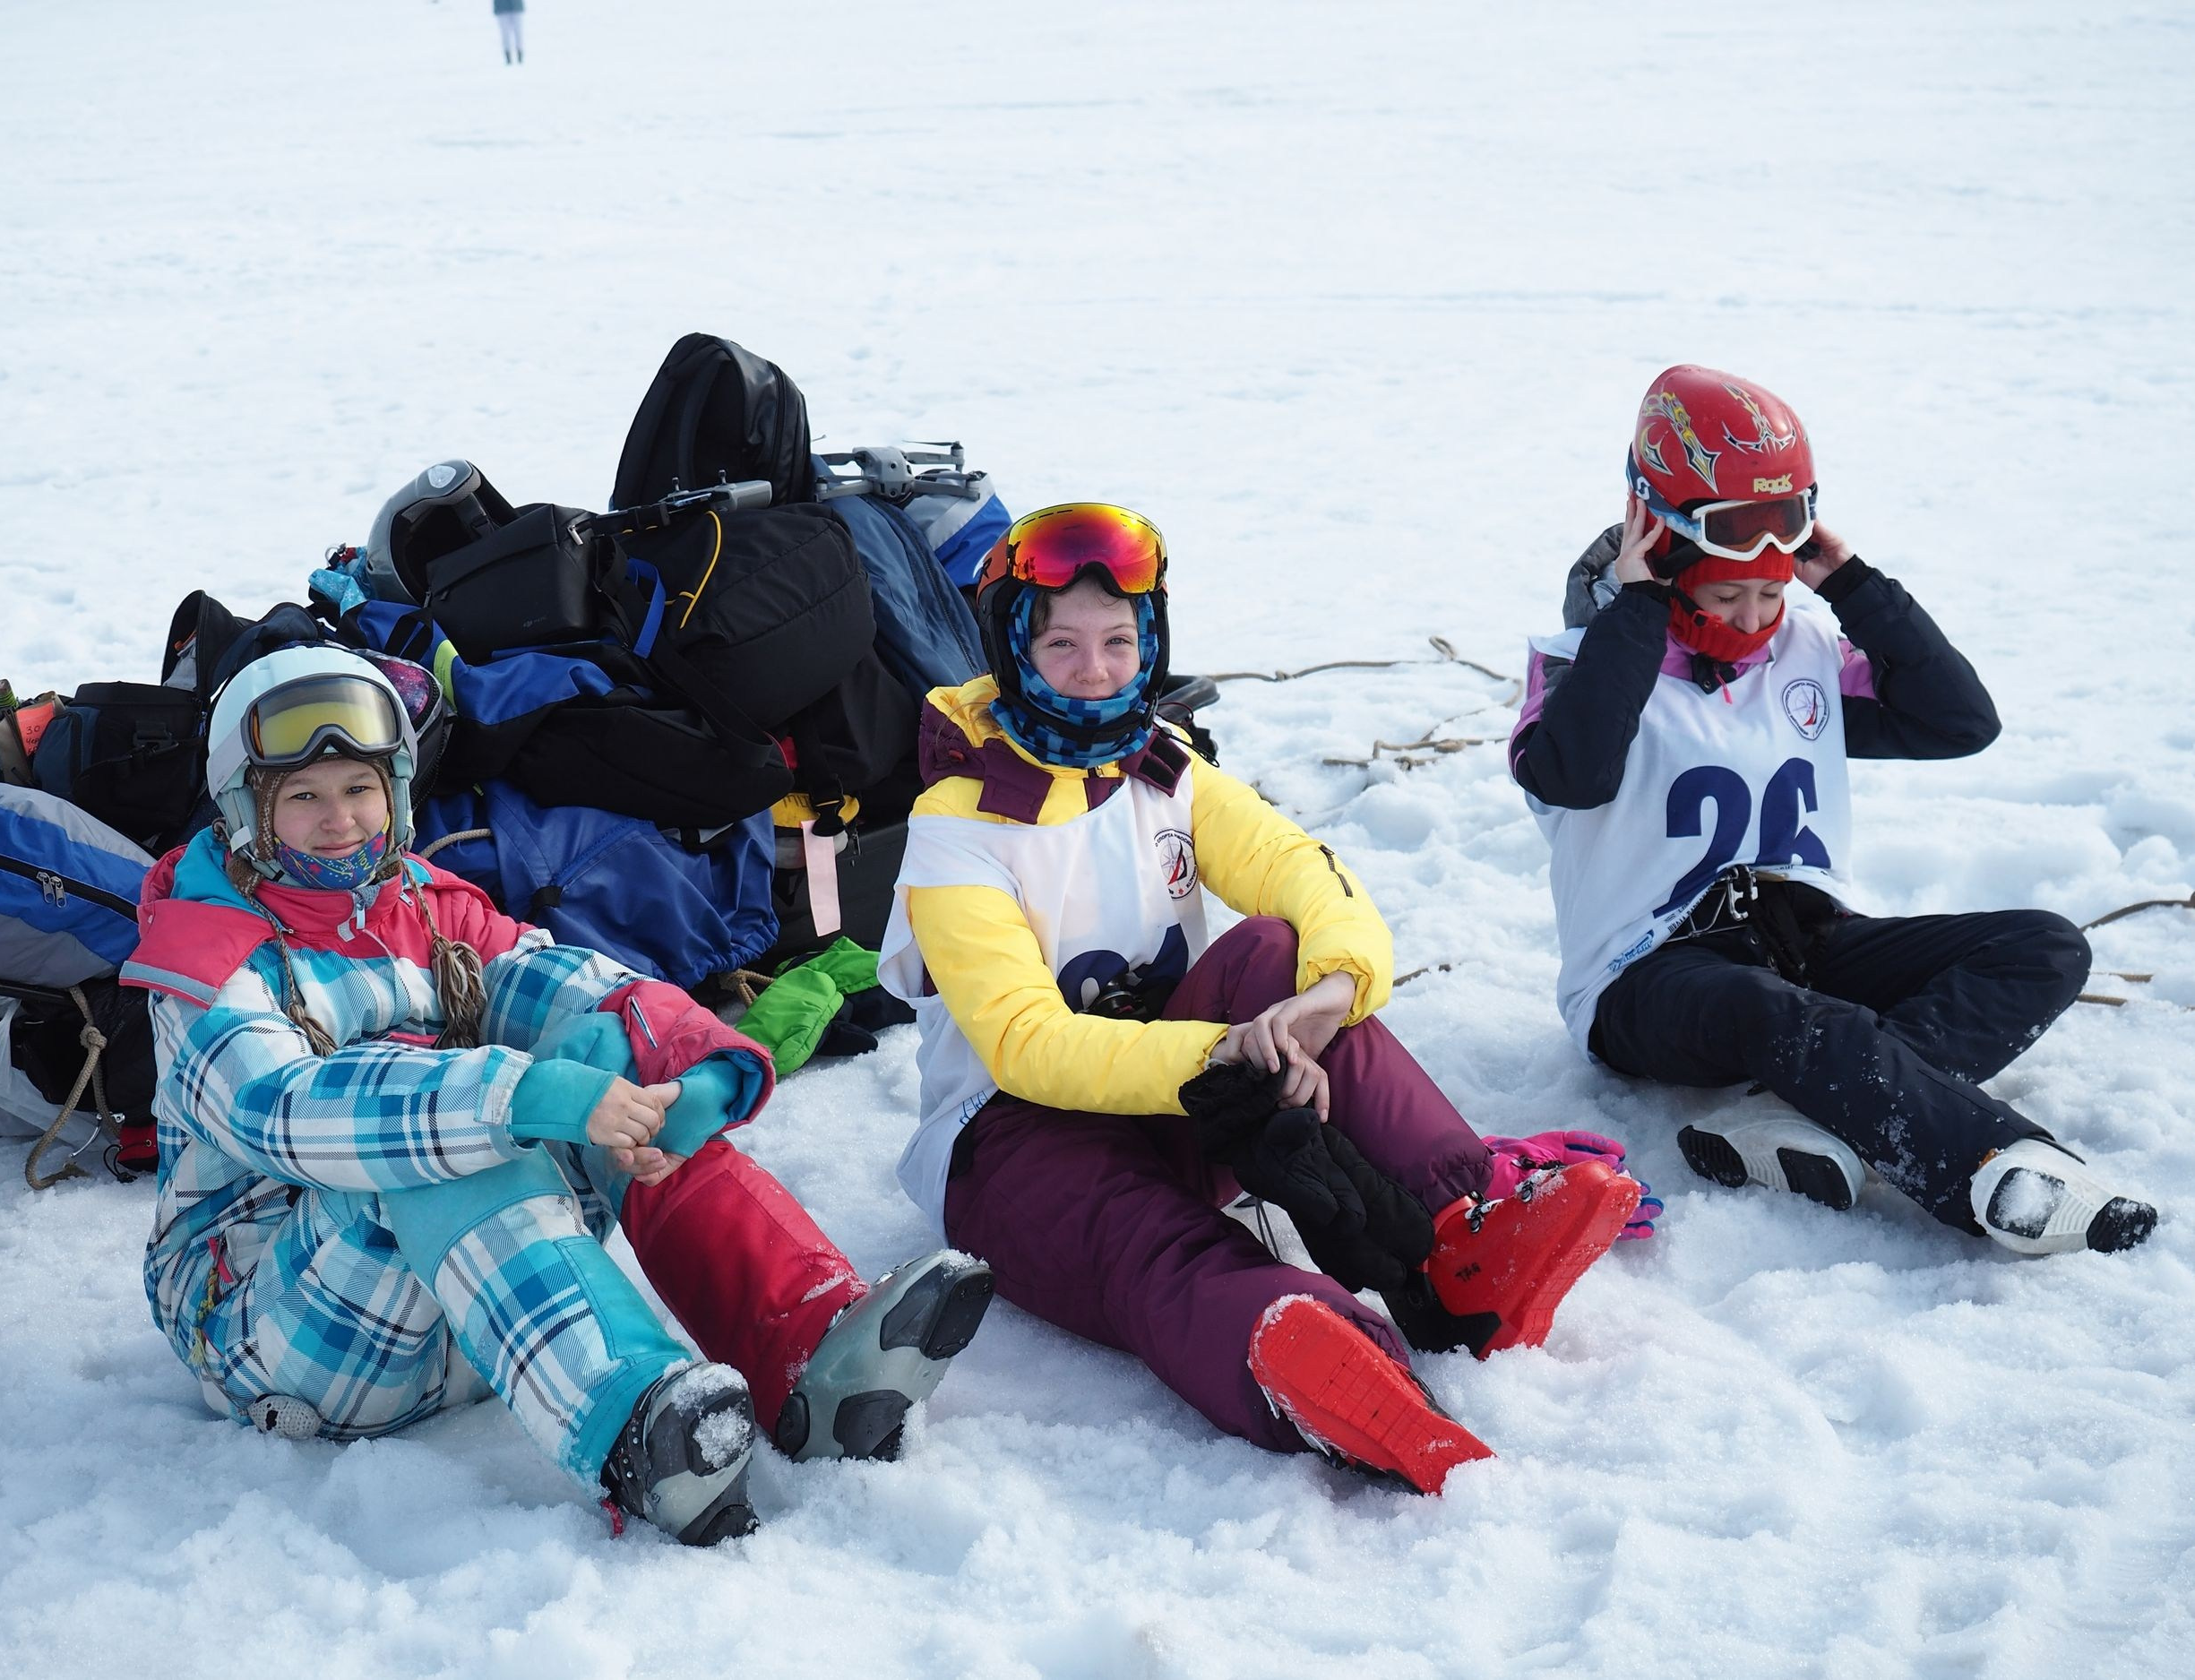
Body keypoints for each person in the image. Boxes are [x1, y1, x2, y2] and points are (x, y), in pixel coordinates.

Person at [123, 646, 992, 1546]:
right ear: (247, 809)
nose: (340, 819)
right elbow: (284, 1108)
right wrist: (516, 1090)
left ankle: (813, 1353)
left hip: (475, 1313)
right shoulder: (207, 961)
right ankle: (637, 1436)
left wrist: (688, 1062)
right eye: (303, 796)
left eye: (360, 788)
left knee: (609, 1051)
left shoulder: (419, 904)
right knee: (446, 1137)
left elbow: (563, 982)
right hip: (281, 1338)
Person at [877, 504, 1651, 1495]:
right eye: (1059, 643)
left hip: (1186, 1098)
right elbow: (1024, 1044)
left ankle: (1462, 1234)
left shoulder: (1160, 765)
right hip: (1014, 1147)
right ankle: (1298, 1348)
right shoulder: (957, 828)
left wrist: (1329, 992)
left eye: (1120, 641)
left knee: (1279, 952)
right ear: (1010, 648)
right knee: (1141, 1237)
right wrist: (1227, 1056)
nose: (1095, 669)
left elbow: (1295, 867)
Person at [1511, 365, 2156, 1257]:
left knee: (2042, 945)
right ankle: (1996, 1167)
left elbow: (1957, 722)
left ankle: (1801, 1110)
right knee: (1794, 1018)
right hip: (1648, 978)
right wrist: (1636, 610)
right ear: (1663, 563)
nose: (1752, 617)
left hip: (1801, 944)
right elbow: (1572, 774)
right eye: (1725, 595)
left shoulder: (1801, 648)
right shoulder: (1580, 665)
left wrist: (1849, 582)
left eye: (1771, 592)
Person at [494, 0, 524, 65]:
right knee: (505, 34)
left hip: (516, 6)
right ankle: (508, 57)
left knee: (518, 32)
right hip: (501, 7)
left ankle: (520, 56)